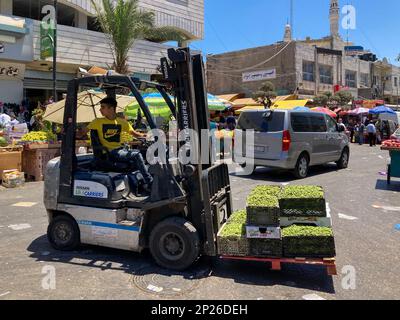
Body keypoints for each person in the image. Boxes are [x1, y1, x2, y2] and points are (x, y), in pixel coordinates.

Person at [81, 97, 152, 185]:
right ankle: (149, 181)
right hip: (109, 153)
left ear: (111, 109)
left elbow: (134, 134)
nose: (100, 110)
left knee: (142, 154)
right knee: (136, 155)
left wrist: (148, 136)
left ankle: (137, 182)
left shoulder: (122, 122)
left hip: (120, 150)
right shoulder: (97, 121)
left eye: (103, 107)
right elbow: (82, 132)